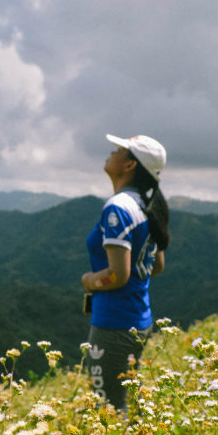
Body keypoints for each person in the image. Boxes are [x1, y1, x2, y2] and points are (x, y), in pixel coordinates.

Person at [81, 134, 170, 414]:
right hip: (139, 318)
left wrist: (90, 281)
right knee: (129, 400)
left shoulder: (118, 208)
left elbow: (118, 275)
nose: (111, 151)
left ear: (130, 165)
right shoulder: (145, 206)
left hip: (113, 323)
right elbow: (156, 265)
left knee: (107, 407)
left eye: (119, 150)